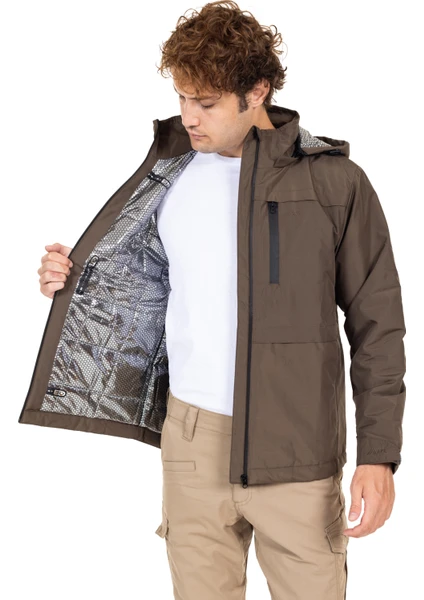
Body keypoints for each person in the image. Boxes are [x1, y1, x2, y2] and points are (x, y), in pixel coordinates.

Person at [24, 2, 406, 599]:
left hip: (298, 448)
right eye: (182, 98)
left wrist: (379, 456)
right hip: (192, 443)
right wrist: (70, 279)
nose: (188, 117)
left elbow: (378, 324)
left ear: (257, 92)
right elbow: (141, 283)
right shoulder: (170, 172)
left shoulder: (335, 182)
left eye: (205, 103)